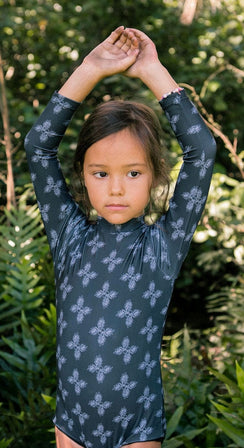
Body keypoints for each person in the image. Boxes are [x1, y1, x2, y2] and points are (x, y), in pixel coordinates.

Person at [25, 27, 216, 448]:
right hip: (70, 424)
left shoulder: (161, 247)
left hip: (137, 430)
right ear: (82, 175)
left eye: (133, 173)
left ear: (153, 177)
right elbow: (38, 146)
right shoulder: (69, 237)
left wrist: (153, 70)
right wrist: (90, 69)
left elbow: (201, 149)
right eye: (101, 173)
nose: (116, 188)